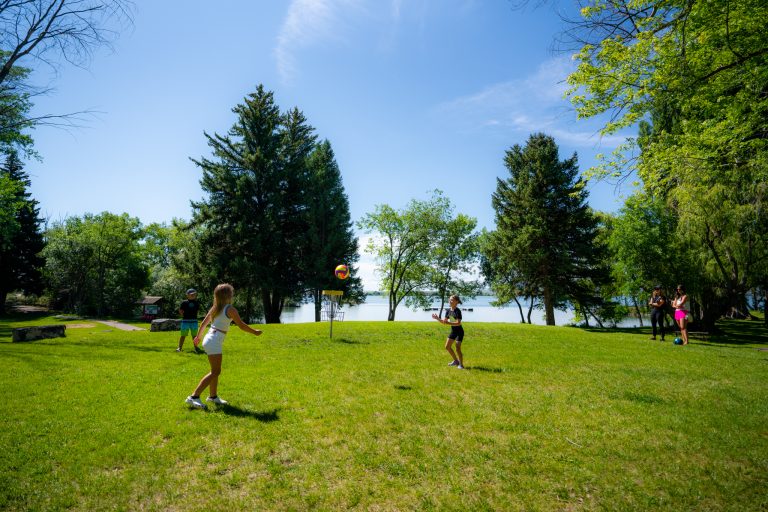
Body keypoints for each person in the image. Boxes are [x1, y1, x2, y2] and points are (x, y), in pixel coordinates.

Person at [185, 283, 262, 409]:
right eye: (231, 292)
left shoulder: (216, 307)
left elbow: (204, 323)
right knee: (216, 371)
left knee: (214, 371)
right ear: (228, 295)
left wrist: (198, 337)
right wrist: (255, 332)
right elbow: (241, 325)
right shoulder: (230, 309)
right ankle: (193, 397)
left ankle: (213, 396)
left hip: (210, 338)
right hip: (214, 340)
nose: (232, 294)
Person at [432, 294, 466, 369]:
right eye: (449, 299)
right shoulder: (448, 311)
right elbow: (444, 322)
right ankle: (456, 361)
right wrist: (437, 318)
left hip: (459, 331)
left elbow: (458, 323)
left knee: (457, 348)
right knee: (447, 347)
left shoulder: (457, 311)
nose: (450, 301)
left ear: (456, 302)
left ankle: (461, 365)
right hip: (453, 331)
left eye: (452, 300)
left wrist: (448, 323)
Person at [177, 288, 201, 352]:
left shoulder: (196, 303)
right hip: (185, 321)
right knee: (183, 335)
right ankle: (179, 348)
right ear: (187, 295)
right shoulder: (184, 302)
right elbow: (180, 310)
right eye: (191, 294)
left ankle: (196, 347)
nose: (193, 295)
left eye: (194, 294)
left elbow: (197, 311)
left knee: (194, 336)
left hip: (194, 322)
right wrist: (183, 316)